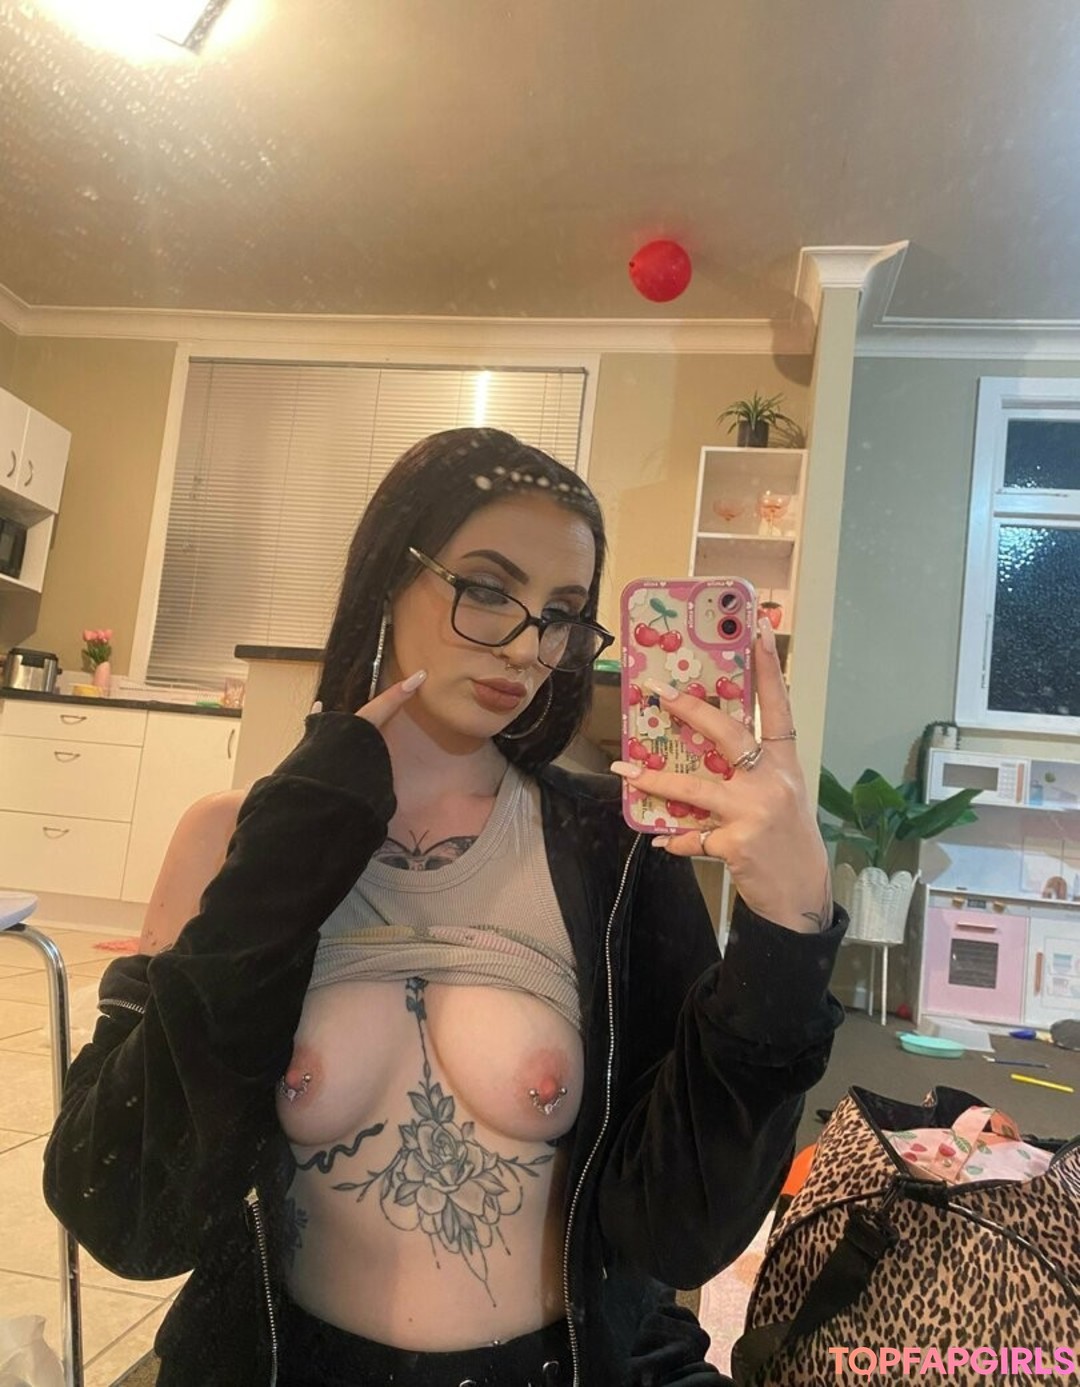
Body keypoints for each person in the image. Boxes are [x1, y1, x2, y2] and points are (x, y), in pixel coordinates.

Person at [44, 427, 846, 1387]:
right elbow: (127, 1215)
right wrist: (283, 860)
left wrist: (789, 932)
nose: (528, 646)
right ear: (390, 576)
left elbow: (682, 1230)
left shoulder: (614, 849)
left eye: (562, 614)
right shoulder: (233, 839)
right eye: (488, 588)